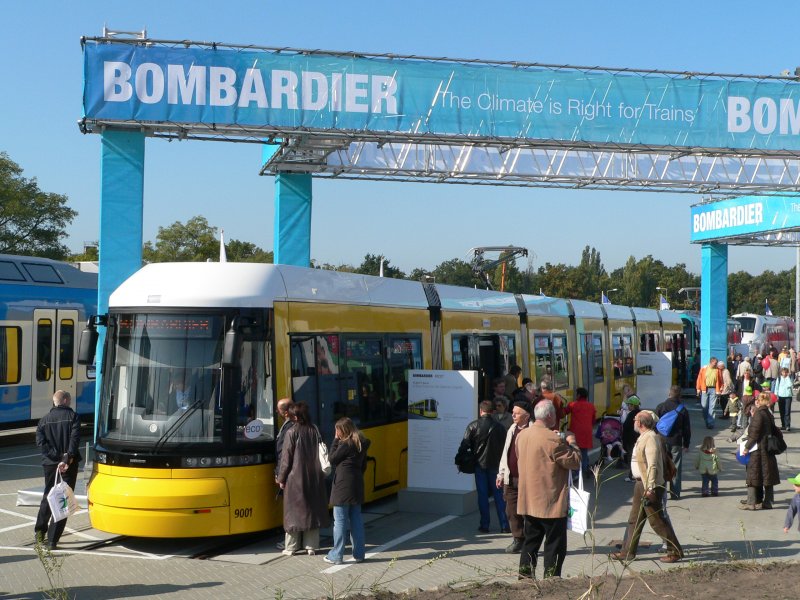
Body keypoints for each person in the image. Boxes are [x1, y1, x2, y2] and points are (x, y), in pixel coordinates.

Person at [516, 400, 581, 579]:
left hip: (528, 501)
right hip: (551, 503)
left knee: (530, 543)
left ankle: (524, 578)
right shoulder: (554, 439)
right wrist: (572, 441)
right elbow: (574, 462)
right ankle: (551, 580)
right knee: (554, 546)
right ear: (550, 416)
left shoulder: (522, 435)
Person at [609, 410, 683, 563]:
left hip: (649, 485)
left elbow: (653, 465)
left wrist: (650, 488)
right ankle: (627, 551)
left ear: (641, 423)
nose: (633, 421)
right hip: (640, 484)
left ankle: (674, 551)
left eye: (635, 419)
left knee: (657, 520)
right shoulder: (644, 436)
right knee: (634, 519)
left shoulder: (650, 438)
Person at [276, 402, 330, 555]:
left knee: (293, 513)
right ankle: (311, 546)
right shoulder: (315, 430)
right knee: (312, 510)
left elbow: (286, 459)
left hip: (295, 479)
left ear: (295, 416)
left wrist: (281, 478)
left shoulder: (291, 432)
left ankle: (291, 547)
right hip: (315, 477)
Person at [34, 390, 81, 551]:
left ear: (55, 402)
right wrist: (66, 458)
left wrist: (56, 457)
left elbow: (41, 444)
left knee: (48, 495)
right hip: (69, 464)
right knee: (63, 499)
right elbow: (74, 441)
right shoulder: (73, 417)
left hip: (49, 464)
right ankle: (52, 540)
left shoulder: (43, 421)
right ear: (66, 400)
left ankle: (39, 534)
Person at [324, 417, 371, 565]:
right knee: (356, 519)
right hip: (356, 483)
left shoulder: (346, 444)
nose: (336, 432)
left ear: (342, 431)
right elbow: (364, 465)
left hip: (343, 485)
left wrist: (335, 440)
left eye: (337, 430)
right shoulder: (361, 443)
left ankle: (336, 555)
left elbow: (331, 458)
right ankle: (359, 554)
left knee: (340, 521)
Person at [458, 400, 509, 533]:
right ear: (492, 412)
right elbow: (506, 448)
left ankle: (484, 525)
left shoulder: (473, 426)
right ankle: (504, 525)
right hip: (496, 465)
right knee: (499, 495)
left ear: (480, 411)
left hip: (479, 465)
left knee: (482, 495)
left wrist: (459, 460)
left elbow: (464, 445)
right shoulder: (500, 427)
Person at [496, 400, 533, 554]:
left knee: (529, 512)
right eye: (513, 412)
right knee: (511, 511)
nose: (513, 415)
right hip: (511, 478)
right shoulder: (512, 428)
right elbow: (506, 453)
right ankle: (518, 539)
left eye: (517, 413)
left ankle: (531, 542)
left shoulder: (533, 430)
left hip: (528, 479)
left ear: (526, 415)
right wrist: (501, 474)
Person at [739, 392, 781, 510]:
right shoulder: (768, 413)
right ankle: (767, 502)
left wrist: (746, 447)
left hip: (758, 450)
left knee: (753, 475)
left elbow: (754, 434)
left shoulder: (759, 414)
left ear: (759, 401)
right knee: (768, 477)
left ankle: (751, 503)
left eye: (757, 399)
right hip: (768, 449)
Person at [655, 385, 691, 500]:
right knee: (676, 468)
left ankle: (661, 492)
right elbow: (687, 429)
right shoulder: (682, 409)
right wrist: (686, 444)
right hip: (676, 441)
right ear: (679, 395)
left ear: (669, 393)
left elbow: (654, 424)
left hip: (662, 440)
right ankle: (675, 493)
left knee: (662, 466)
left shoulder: (661, 406)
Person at [564, 387, 596, 477]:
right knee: (584, 451)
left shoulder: (572, 405)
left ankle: (576, 471)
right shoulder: (591, 406)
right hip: (587, 432)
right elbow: (593, 420)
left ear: (578, 395)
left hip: (575, 432)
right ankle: (584, 469)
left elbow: (564, 412)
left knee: (574, 450)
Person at [621, 389, 642, 481]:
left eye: (629, 405)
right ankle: (638, 474)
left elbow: (625, 426)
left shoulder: (631, 414)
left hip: (631, 439)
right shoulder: (641, 413)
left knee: (632, 457)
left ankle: (632, 475)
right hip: (638, 438)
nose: (628, 406)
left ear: (632, 406)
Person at [696, 356, 721, 429]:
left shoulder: (717, 370)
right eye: (715, 363)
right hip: (705, 389)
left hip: (713, 389)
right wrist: (698, 388)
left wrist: (719, 390)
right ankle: (707, 420)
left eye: (716, 363)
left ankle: (710, 423)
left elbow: (720, 380)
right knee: (704, 407)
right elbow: (699, 379)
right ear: (711, 362)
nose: (716, 364)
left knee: (712, 407)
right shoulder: (704, 369)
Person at [274, 398, 294, 483]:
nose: (276, 412)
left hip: (290, 476)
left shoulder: (288, 429)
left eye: (278, 410)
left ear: (286, 413)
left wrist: (280, 475)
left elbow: (283, 454)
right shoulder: (302, 425)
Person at [775, 366, 793, 432]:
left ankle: (787, 425)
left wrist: (788, 377)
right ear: (781, 373)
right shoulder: (779, 378)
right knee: (782, 411)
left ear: (787, 373)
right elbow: (776, 387)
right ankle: (783, 425)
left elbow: (790, 385)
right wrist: (776, 396)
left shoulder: (789, 378)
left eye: (786, 372)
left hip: (788, 396)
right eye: (783, 372)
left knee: (787, 411)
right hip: (780, 396)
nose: (784, 374)